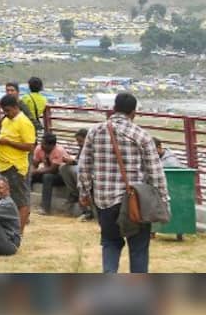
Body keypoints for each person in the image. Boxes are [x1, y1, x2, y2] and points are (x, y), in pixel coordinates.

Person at [78, 92, 169, 274]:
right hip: (135, 202)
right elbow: (155, 172)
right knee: (138, 249)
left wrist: (84, 193)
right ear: (134, 113)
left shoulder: (94, 132)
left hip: (104, 200)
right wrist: (164, 201)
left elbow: (84, 166)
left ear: (113, 108)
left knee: (110, 244)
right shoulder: (141, 135)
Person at [0, 93, 37, 234]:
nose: (6, 114)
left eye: (8, 110)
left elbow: (30, 146)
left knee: (20, 200)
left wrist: (8, 143)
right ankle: (9, 228)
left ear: (15, 107)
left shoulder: (24, 122)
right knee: (6, 198)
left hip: (15, 166)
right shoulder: (7, 120)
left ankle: (19, 232)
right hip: (3, 165)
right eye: (4, 111)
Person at [33, 132, 73, 215]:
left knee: (47, 177)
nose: (41, 145)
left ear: (51, 145)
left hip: (61, 176)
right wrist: (32, 171)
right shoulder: (39, 148)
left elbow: (53, 170)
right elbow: (35, 164)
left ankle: (45, 208)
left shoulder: (58, 150)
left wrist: (37, 171)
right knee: (29, 175)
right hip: (46, 172)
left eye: (43, 144)